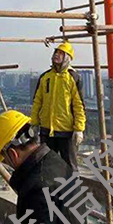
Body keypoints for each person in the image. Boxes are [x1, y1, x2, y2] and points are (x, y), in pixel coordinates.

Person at [30, 41, 86, 170]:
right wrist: (34, 122)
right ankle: (51, 190)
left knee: (69, 165)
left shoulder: (73, 78)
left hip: (66, 131)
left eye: (61, 53)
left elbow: (79, 105)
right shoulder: (45, 77)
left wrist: (79, 128)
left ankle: (72, 189)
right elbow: (37, 101)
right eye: (56, 52)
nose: (57, 55)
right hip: (46, 130)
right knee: (47, 164)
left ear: (67, 58)